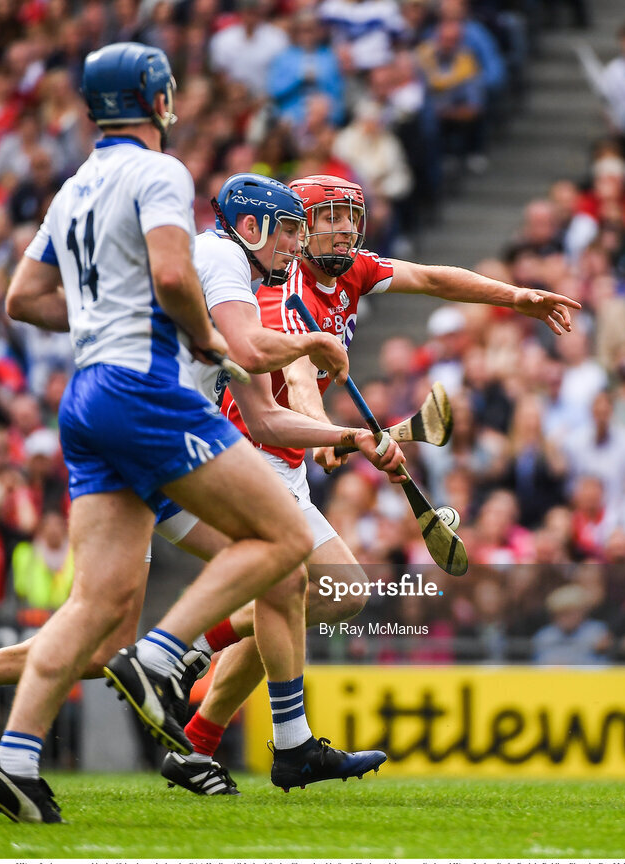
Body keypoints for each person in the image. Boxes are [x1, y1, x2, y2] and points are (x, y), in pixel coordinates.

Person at [0, 43, 386, 825]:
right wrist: (199, 332)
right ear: (156, 100)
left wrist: (113, 317)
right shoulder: (167, 183)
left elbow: (23, 299)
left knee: (101, 620)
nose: (296, 245)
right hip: (145, 396)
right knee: (285, 544)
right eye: (287, 231)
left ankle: (6, 749)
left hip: (87, 397)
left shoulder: (73, 188)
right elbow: (181, 287)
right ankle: (170, 663)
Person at [178, 173, 581, 792]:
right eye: (329, 219)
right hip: (250, 456)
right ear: (296, 229)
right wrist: (334, 436)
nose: (344, 229)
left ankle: (196, 738)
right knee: (316, 593)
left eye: (349, 217)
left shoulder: (354, 273)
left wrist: (515, 297)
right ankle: (191, 647)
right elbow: (303, 380)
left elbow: (433, 278)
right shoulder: (279, 291)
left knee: (312, 599)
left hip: (285, 462)